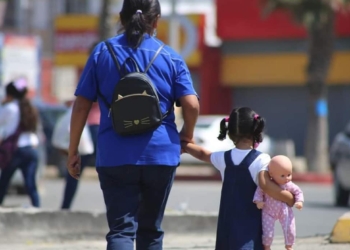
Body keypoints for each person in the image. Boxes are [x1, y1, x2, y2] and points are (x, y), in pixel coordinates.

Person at [67, 0, 199, 249]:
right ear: (157, 20)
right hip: (160, 154)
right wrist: (187, 135)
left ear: (121, 17)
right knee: (151, 230)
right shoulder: (170, 56)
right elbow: (191, 105)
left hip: (115, 154)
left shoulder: (101, 53)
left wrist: (73, 150)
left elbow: (81, 106)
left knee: (121, 230)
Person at [181, 107, 295, 250]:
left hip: (226, 228)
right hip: (249, 230)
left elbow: (203, 154)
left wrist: (185, 145)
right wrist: (289, 198)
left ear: (230, 132)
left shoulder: (223, 157)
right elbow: (265, 185)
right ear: (256, 130)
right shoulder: (261, 159)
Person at [0, 79, 40, 207]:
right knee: (30, 184)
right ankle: (37, 208)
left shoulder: (10, 108)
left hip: (15, 151)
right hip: (31, 150)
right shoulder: (30, 108)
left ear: (10, 94)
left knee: (4, 182)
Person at [253, 155, 304, 250]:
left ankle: (289, 245)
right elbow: (259, 192)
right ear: (271, 174)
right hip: (268, 211)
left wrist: (299, 201)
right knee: (268, 233)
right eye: (282, 176)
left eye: (289, 174)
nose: (287, 178)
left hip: (285, 210)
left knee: (290, 229)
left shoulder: (289, 185)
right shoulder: (268, 184)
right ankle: (267, 246)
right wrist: (258, 201)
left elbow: (298, 192)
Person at [52, 100, 94, 210]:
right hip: (102, 131)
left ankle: (65, 206)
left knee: (73, 175)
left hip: (88, 133)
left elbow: (81, 106)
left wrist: (72, 150)